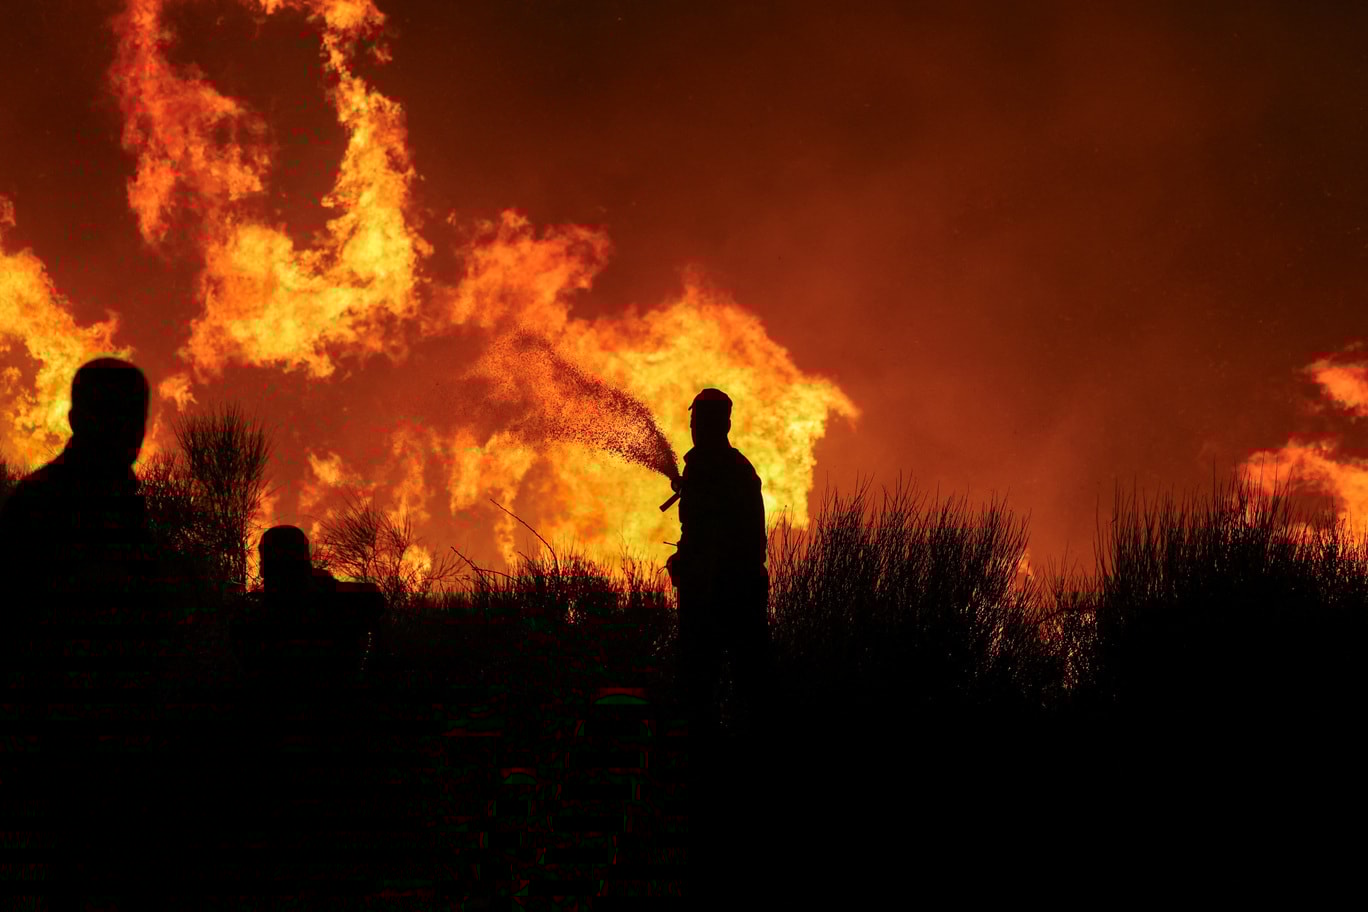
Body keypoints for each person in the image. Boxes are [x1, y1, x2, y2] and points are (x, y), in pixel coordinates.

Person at [668, 388, 771, 744]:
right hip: (739, 591)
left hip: (717, 596)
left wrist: (688, 565)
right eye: (694, 420)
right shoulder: (726, 468)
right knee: (745, 686)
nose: (694, 426)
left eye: (698, 420)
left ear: (719, 424)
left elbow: (713, 535)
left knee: (706, 689)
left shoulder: (715, 470)